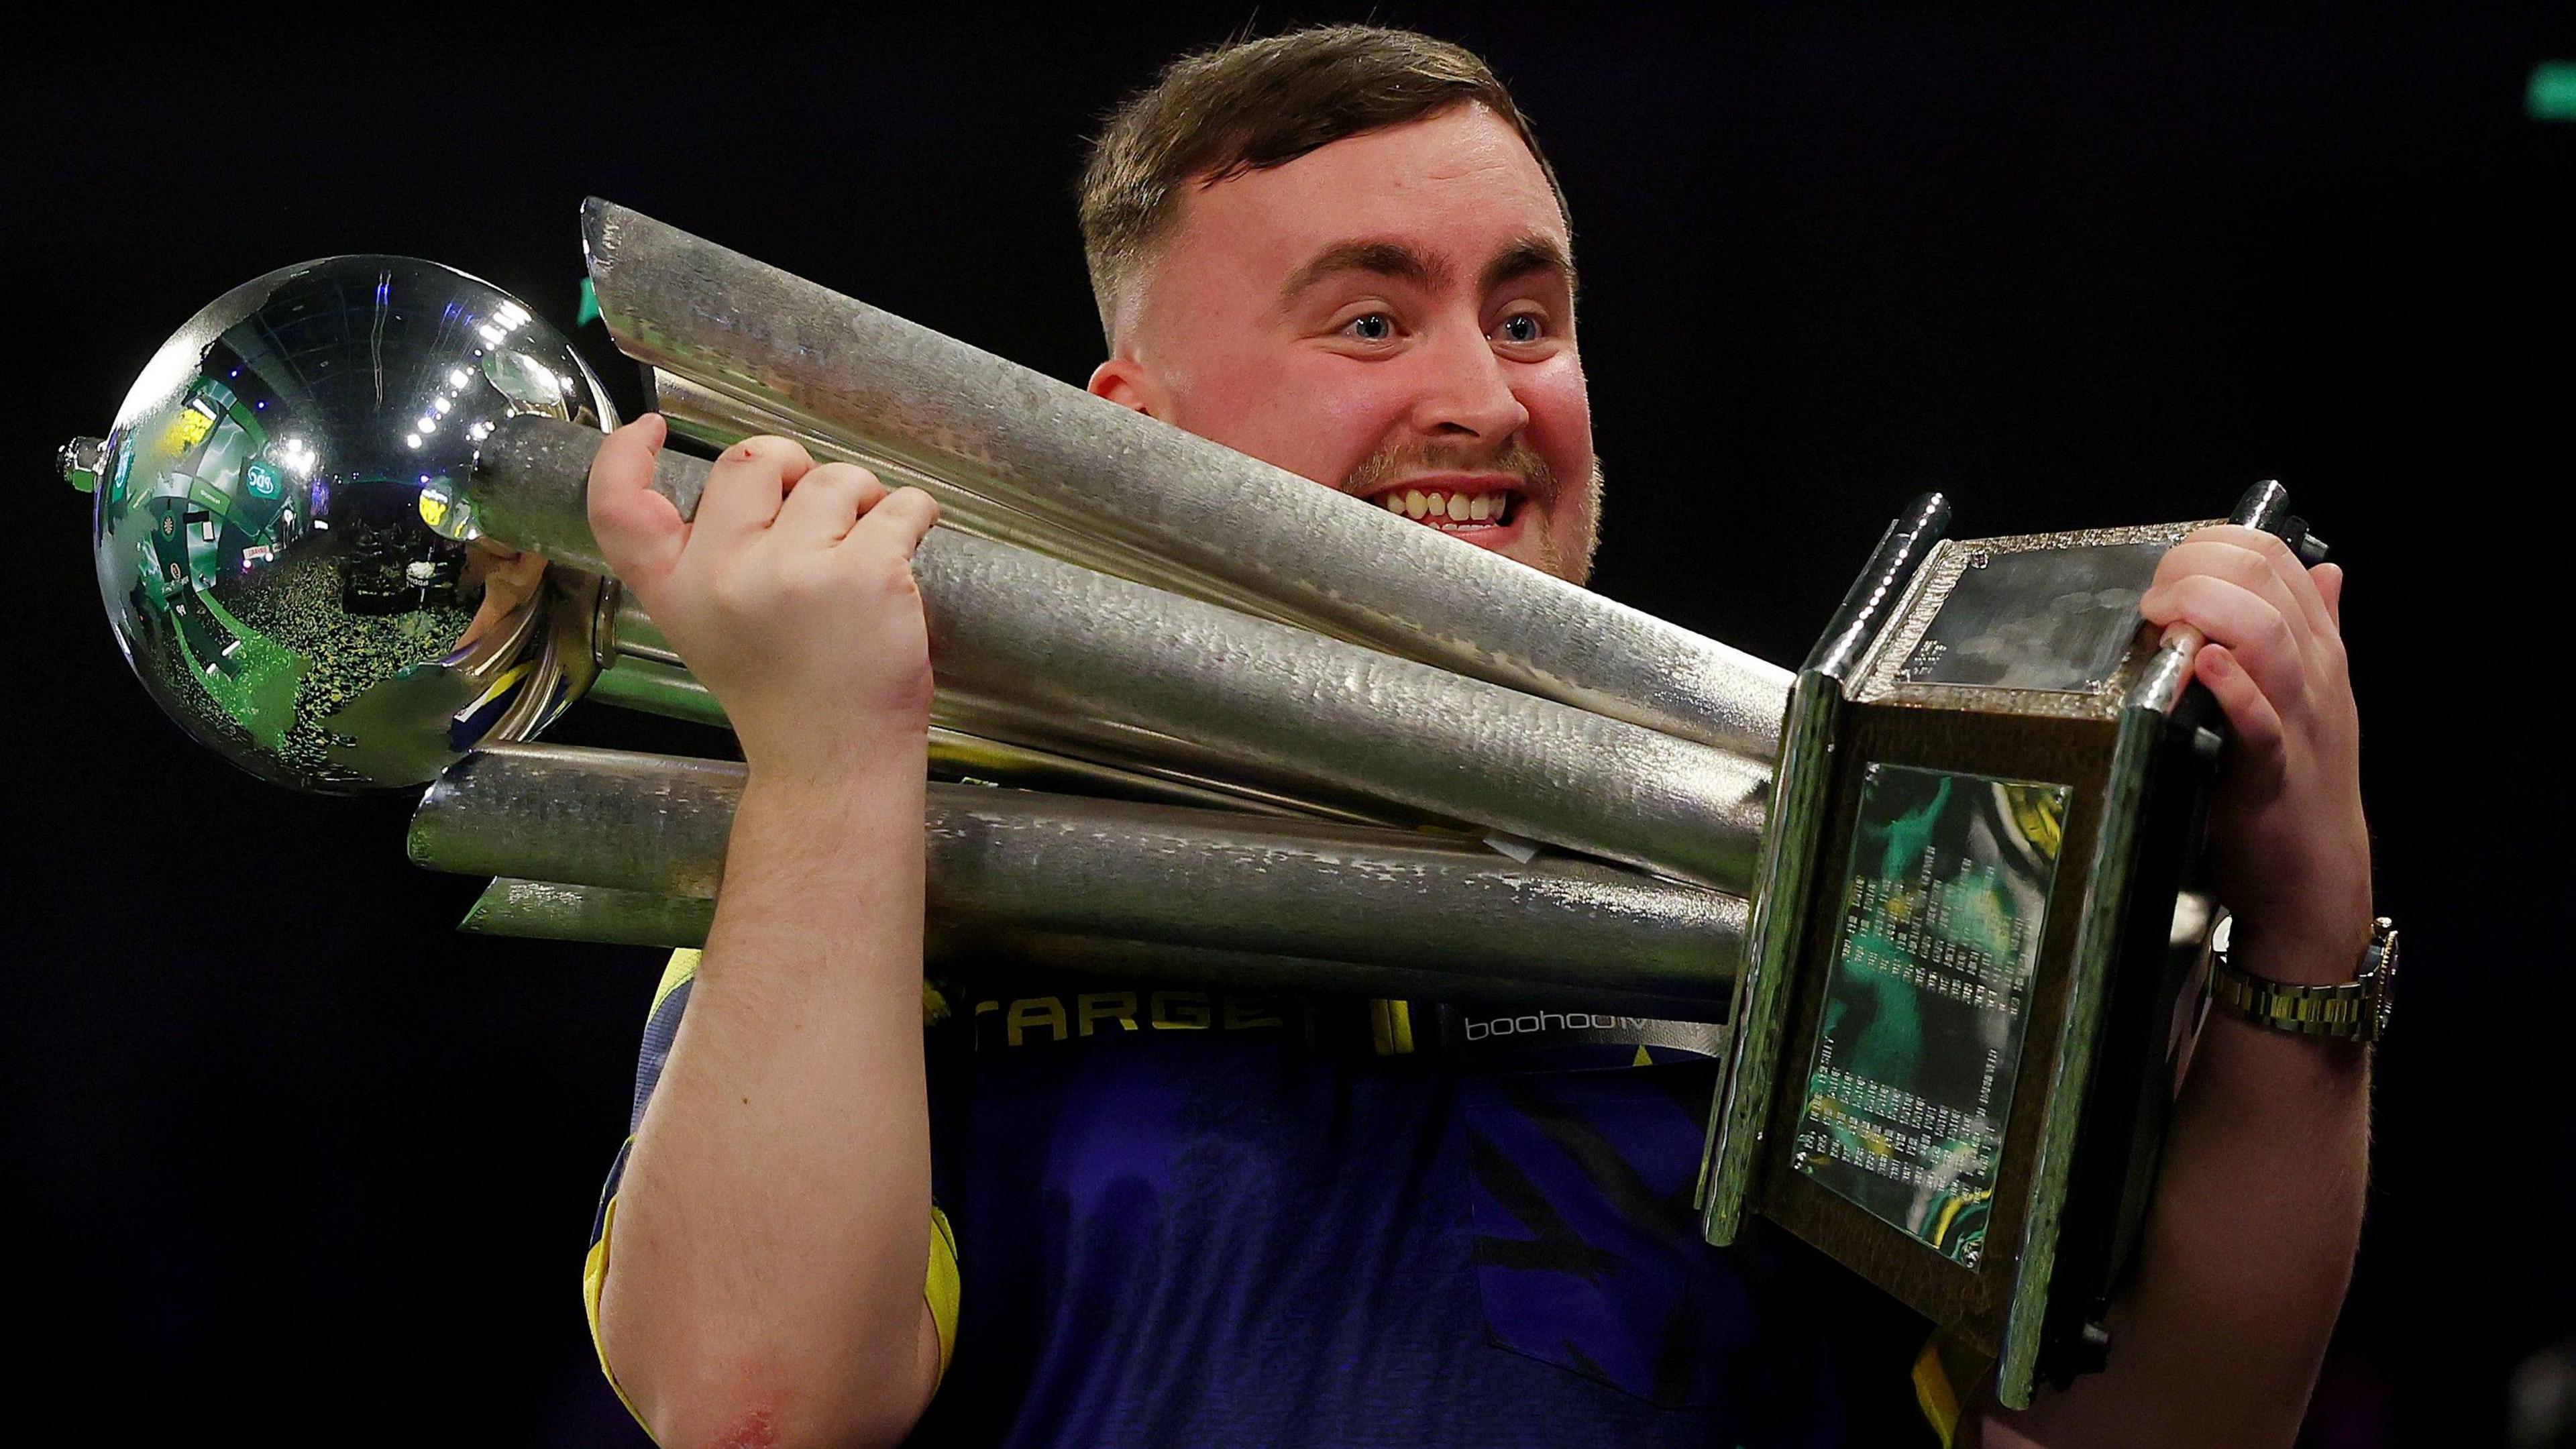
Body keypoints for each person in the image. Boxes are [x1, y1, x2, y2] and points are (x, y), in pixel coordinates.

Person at [578, 26, 2375, 1449]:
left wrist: (2305, 949)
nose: (1481, 394)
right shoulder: (906, 834)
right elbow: (753, 1405)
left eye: (1528, 316)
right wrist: (825, 770)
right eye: (1370, 318)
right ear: (1131, 424)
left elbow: (2155, 1431)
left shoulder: (1856, 855)